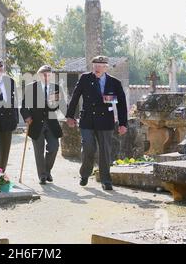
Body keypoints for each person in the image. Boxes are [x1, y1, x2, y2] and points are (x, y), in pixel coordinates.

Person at [66, 56, 128, 191]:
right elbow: (75, 97)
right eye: (95, 65)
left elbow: (122, 104)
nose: (97, 68)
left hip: (106, 122)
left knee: (105, 151)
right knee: (88, 147)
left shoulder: (114, 82)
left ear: (106, 67)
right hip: (87, 120)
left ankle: (106, 180)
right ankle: (85, 174)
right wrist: (70, 116)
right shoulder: (85, 78)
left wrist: (123, 123)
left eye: (101, 65)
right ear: (92, 66)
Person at [20, 65, 65, 185]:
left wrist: (68, 116)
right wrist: (27, 116)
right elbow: (24, 107)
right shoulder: (31, 88)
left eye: (48, 75)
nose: (46, 77)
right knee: (38, 151)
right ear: (39, 75)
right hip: (35, 123)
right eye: (44, 74)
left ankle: (47, 170)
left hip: (52, 123)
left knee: (54, 147)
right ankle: (42, 176)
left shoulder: (56, 88)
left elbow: (61, 105)